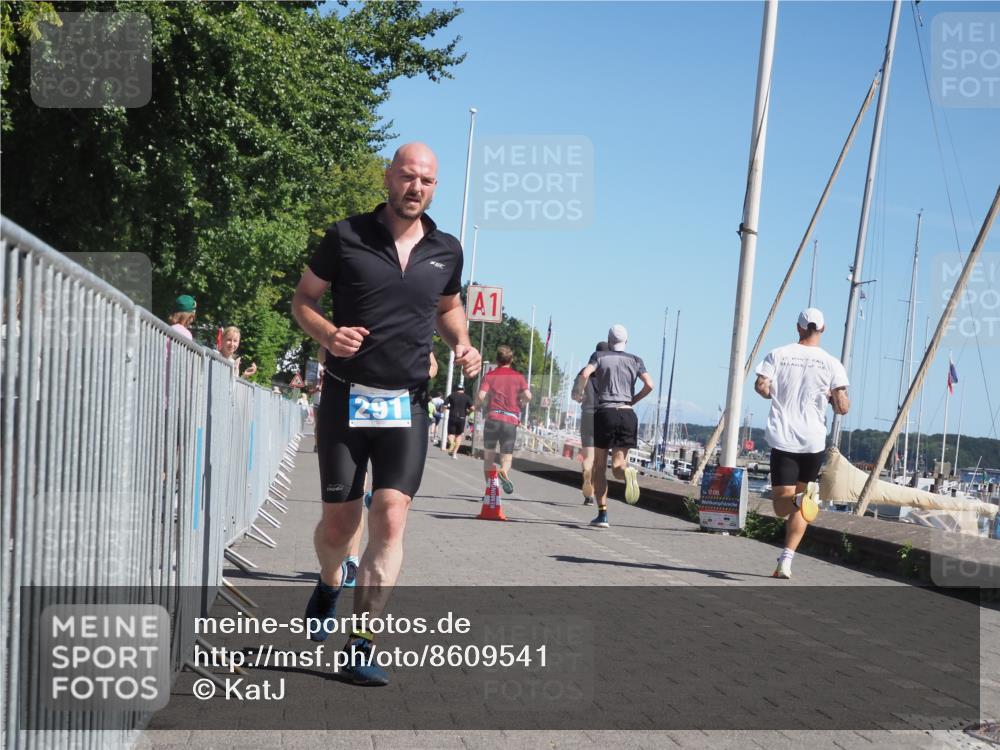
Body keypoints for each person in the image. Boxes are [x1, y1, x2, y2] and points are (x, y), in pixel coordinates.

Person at [291, 142, 480, 686]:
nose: (415, 186)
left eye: (426, 180)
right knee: (339, 525)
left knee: (391, 517)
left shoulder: (446, 249)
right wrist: (329, 334)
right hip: (346, 399)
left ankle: (361, 643)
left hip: (408, 403)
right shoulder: (346, 236)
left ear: (434, 187)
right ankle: (330, 581)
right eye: (406, 176)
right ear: (388, 178)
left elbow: (448, 309)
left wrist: (462, 344)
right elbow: (304, 299)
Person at [755, 307, 849, 579]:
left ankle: (788, 550)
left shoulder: (779, 354)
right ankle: (786, 558)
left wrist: (778, 392)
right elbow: (842, 407)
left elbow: (761, 387)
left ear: (798, 327)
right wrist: (831, 398)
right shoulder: (832, 363)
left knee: (781, 506)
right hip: (813, 441)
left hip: (784, 438)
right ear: (823, 329)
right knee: (799, 504)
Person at [573, 325, 653, 528]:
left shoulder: (599, 356)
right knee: (618, 465)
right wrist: (633, 400)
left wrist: (581, 392)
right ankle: (628, 473)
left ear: (609, 341)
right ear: (626, 341)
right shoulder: (636, 360)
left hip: (605, 413)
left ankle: (602, 515)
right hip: (627, 414)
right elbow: (649, 385)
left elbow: (585, 374)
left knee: (600, 467)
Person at [476, 345, 531, 494]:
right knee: (506, 458)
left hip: (492, 419)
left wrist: (479, 407)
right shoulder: (518, 377)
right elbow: (528, 396)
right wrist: (521, 404)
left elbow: (481, 396)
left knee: (488, 458)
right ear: (511, 360)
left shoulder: (489, 376)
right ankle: (503, 471)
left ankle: (490, 490)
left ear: (497, 360)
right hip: (510, 422)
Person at [577, 341, 610, 505]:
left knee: (588, 457)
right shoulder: (610, 373)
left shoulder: (584, 372)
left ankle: (588, 491)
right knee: (600, 459)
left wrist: (580, 396)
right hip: (604, 416)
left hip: (588, 416)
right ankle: (596, 492)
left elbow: (576, 396)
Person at [444, 385, 473, 458]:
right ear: (463, 389)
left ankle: (451, 443)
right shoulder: (467, 397)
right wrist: (467, 412)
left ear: (456, 389)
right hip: (462, 418)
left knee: (451, 434)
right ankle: (454, 454)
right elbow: (472, 408)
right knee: (459, 435)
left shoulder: (451, 395)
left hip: (452, 417)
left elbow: (444, 406)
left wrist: (448, 408)